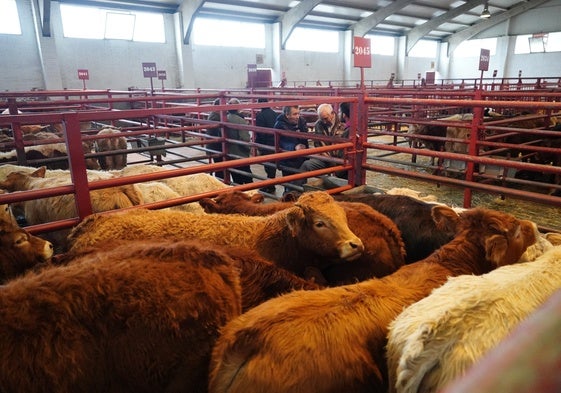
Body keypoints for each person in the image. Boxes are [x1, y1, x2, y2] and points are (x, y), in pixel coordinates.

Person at [295, 102, 350, 185]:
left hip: (341, 159)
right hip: (325, 158)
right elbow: (318, 145)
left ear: (332, 114)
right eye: (321, 119)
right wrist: (329, 159)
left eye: (325, 118)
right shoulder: (318, 124)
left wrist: (337, 161)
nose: (324, 122)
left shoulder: (343, 123)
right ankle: (297, 190)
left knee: (346, 174)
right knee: (306, 165)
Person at [273, 105, 309, 195]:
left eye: (298, 113)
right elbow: (283, 142)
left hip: (301, 157)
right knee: (289, 184)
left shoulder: (301, 121)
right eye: (295, 114)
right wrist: (294, 147)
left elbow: (305, 136)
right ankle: (287, 200)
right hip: (288, 159)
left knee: (301, 183)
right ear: (287, 115)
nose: (297, 116)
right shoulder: (280, 125)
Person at [225, 98, 253, 185]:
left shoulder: (225, 118)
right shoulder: (240, 121)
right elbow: (244, 138)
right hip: (240, 153)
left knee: (236, 178)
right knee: (248, 178)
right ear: (238, 108)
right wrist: (248, 148)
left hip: (229, 152)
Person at [255, 98, 278, 193]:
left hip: (266, 143)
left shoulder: (260, 116)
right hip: (275, 141)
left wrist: (258, 144)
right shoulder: (274, 113)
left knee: (268, 165)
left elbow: (260, 132)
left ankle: (270, 185)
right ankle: (271, 184)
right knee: (272, 164)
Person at [206, 98, 225, 180]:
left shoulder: (214, 115)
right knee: (219, 167)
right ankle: (220, 183)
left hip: (214, 145)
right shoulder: (215, 117)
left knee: (220, 166)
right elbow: (218, 132)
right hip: (216, 146)